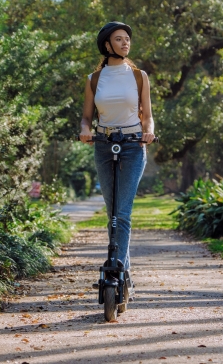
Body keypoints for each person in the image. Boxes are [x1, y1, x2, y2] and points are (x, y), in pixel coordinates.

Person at [79, 21, 156, 281]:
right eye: (120, 39)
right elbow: (86, 118)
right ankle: (123, 272)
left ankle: (116, 270)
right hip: (103, 144)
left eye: (127, 39)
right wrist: (85, 131)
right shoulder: (94, 79)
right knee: (112, 213)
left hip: (133, 145)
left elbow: (148, 116)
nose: (126, 43)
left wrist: (149, 132)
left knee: (122, 212)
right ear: (107, 45)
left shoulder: (138, 76)